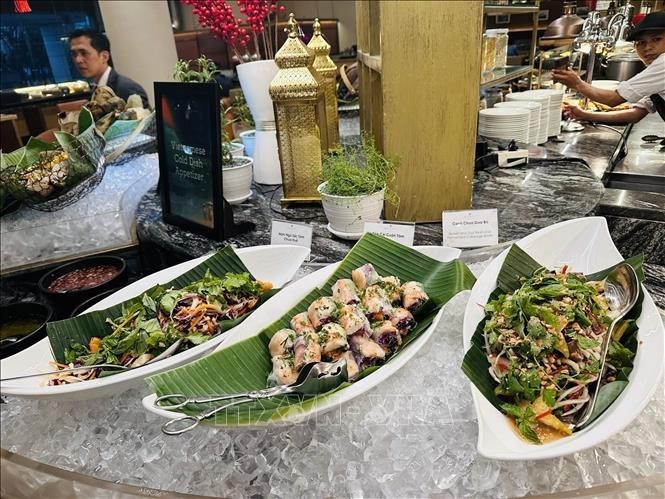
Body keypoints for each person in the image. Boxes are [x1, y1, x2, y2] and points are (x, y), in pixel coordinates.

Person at [553, 11, 665, 123]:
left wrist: (577, 83)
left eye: (656, 39)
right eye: (641, 42)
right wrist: (584, 115)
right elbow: (636, 114)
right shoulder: (655, 75)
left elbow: (612, 99)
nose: (647, 47)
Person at [68, 29, 150, 108]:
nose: (78, 60)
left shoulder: (127, 89)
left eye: (84, 53)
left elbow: (148, 121)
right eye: (74, 54)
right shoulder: (94, 89)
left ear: (104, 56)